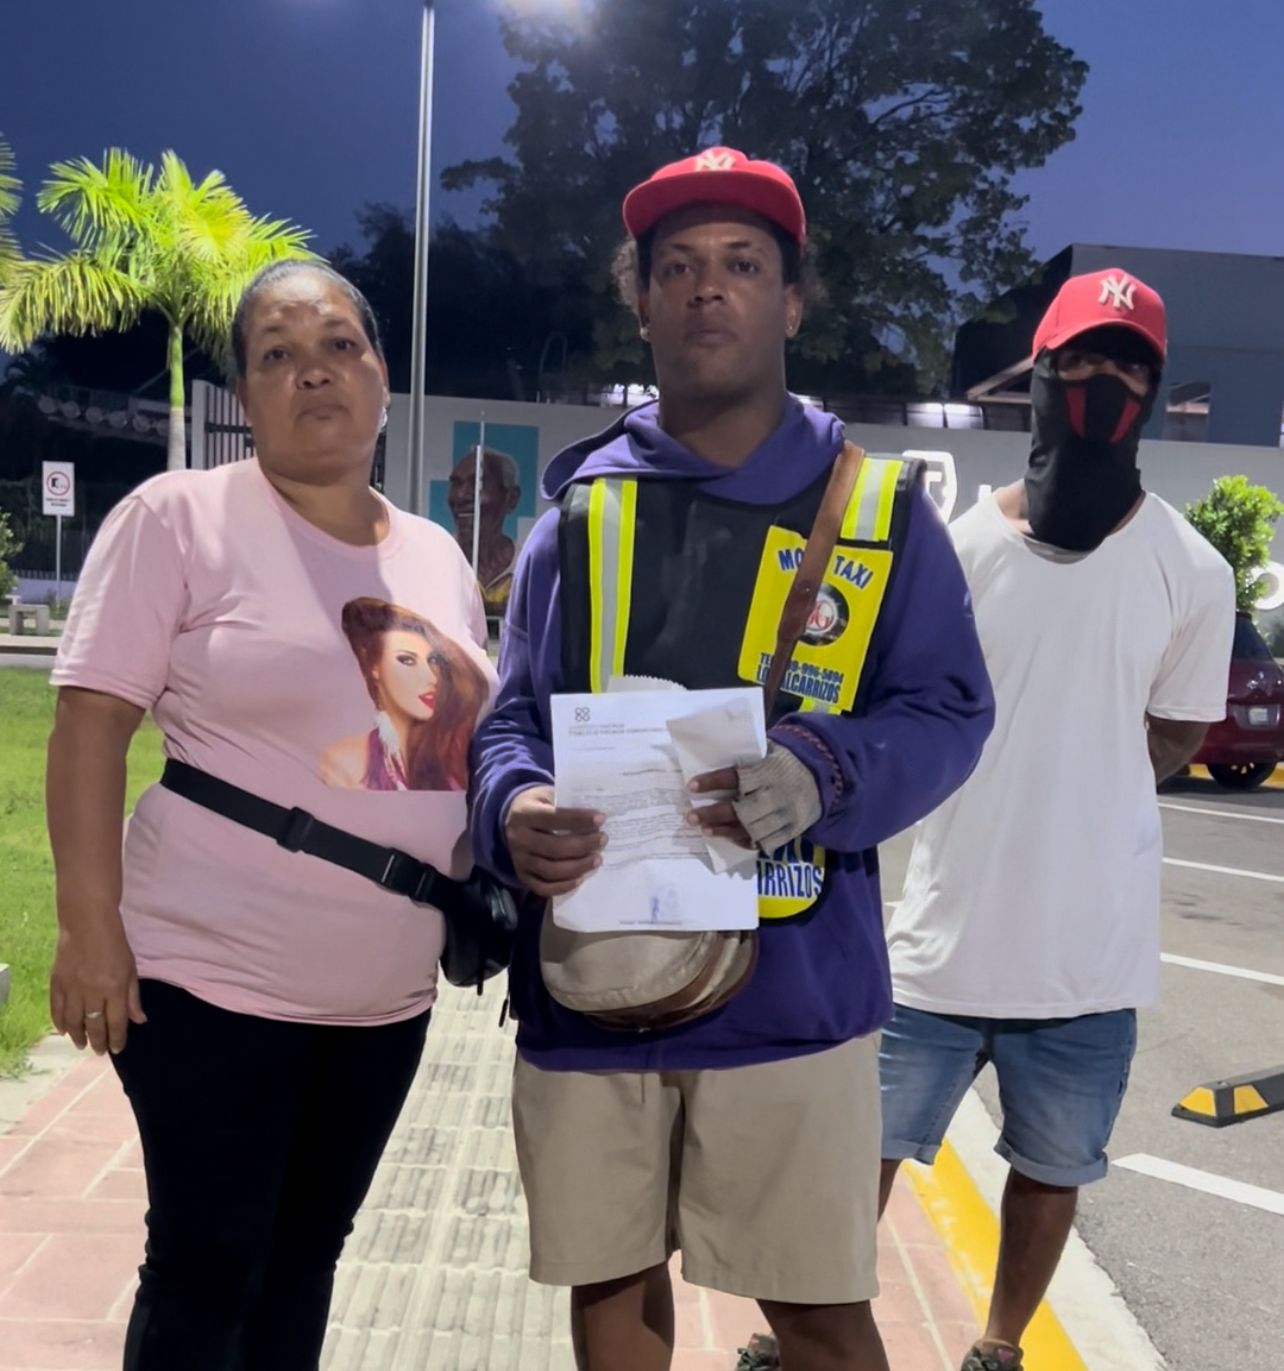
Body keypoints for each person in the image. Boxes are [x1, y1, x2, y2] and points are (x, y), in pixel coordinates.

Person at [468, 147, 995, 1371]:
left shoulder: (882, 515)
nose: (708, 287)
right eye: (679, 267)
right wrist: (515, 805)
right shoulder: (576, 517)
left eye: (744, 265)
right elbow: (509, 722)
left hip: (795, 993)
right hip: (593, 980)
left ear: (792, 303)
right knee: (609, 1288)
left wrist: (823, 772)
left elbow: (949, 711)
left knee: (818, 1315)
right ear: (643, 303)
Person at [46, 259, 497, 1371]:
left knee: (306, 1258)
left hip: (383, 997)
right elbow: (91, 724)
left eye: (340, 345)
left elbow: (434, 751)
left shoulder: (435, 555)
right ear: (245, 395)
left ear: (381, 375)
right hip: (212, 977)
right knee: (209, 1266)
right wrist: (89, 928)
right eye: (278, 355)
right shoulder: (180, 518)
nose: (314, 372)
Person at [880, 269, 1236, 1371]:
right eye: (1080, 359)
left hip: (1088, 962)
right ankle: (799, 1326)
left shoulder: (1194, 569)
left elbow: (1178, 731)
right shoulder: (955, 548)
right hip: (936, 944)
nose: (1103, 381)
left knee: (1052, 1170)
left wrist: (1082, 770)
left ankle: (998, 1345)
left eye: (1129, 365)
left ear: (1154, 391)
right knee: (854, 1157)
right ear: (1039, 373)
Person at [321, 596, 489, 791]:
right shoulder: (348, 760)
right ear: (374, 667)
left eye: (432, 661)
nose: (432, 678)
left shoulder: (455, 754)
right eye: (407, 660)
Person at [447, 446, 521, 616]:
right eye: (456, 484)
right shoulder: (436, 563)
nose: (460, 496)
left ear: (511, 498)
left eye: (476, 485)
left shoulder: (524, 569)